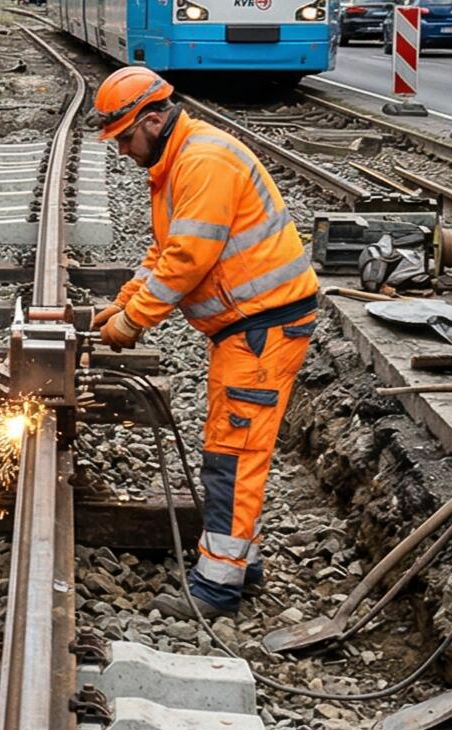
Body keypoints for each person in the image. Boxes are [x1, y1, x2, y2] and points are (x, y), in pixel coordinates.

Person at [90, 66, 318, 622]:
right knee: (231, 447)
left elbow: (188, 262)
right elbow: (163, 253)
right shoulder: (177, 164)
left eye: (124, 137)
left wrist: (133, 322)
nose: (122, 150)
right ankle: (243, 562)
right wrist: (122, 303)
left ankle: (217, 585)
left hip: (263, 328)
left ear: (152, 119)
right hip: (247, 328)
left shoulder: (204, 161)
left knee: (232, 455)